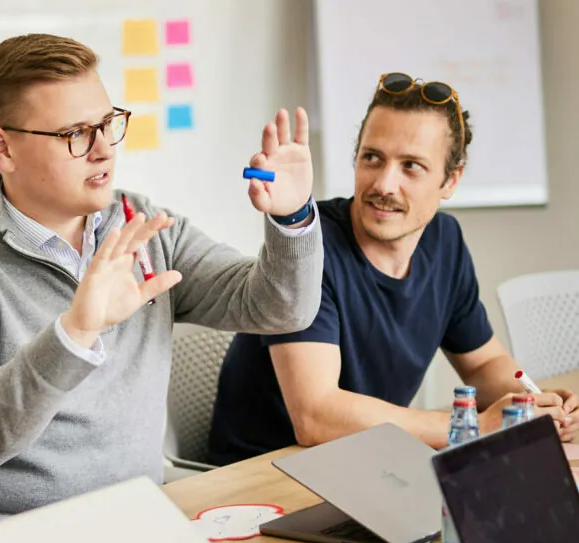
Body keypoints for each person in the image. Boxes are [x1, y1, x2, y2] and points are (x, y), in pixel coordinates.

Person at [0, 33, 324, 518]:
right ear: (2, 148)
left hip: (140, 522)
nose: (104, 149)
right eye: (74, 134)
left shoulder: (141, 225)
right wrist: (76, 332)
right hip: (9, 536)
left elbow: (280, 308)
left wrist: (292, 221)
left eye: (107, 124)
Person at [209, 72, 578, 463]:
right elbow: (315, 417)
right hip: (267, 475)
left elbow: (484, 362)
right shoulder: (306, 248)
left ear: (451, 180)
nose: (384, 184)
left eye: (411, 166)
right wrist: (473, 425)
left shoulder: (445, 241)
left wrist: (533, 405)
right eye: (373, 158)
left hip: (367, 463)